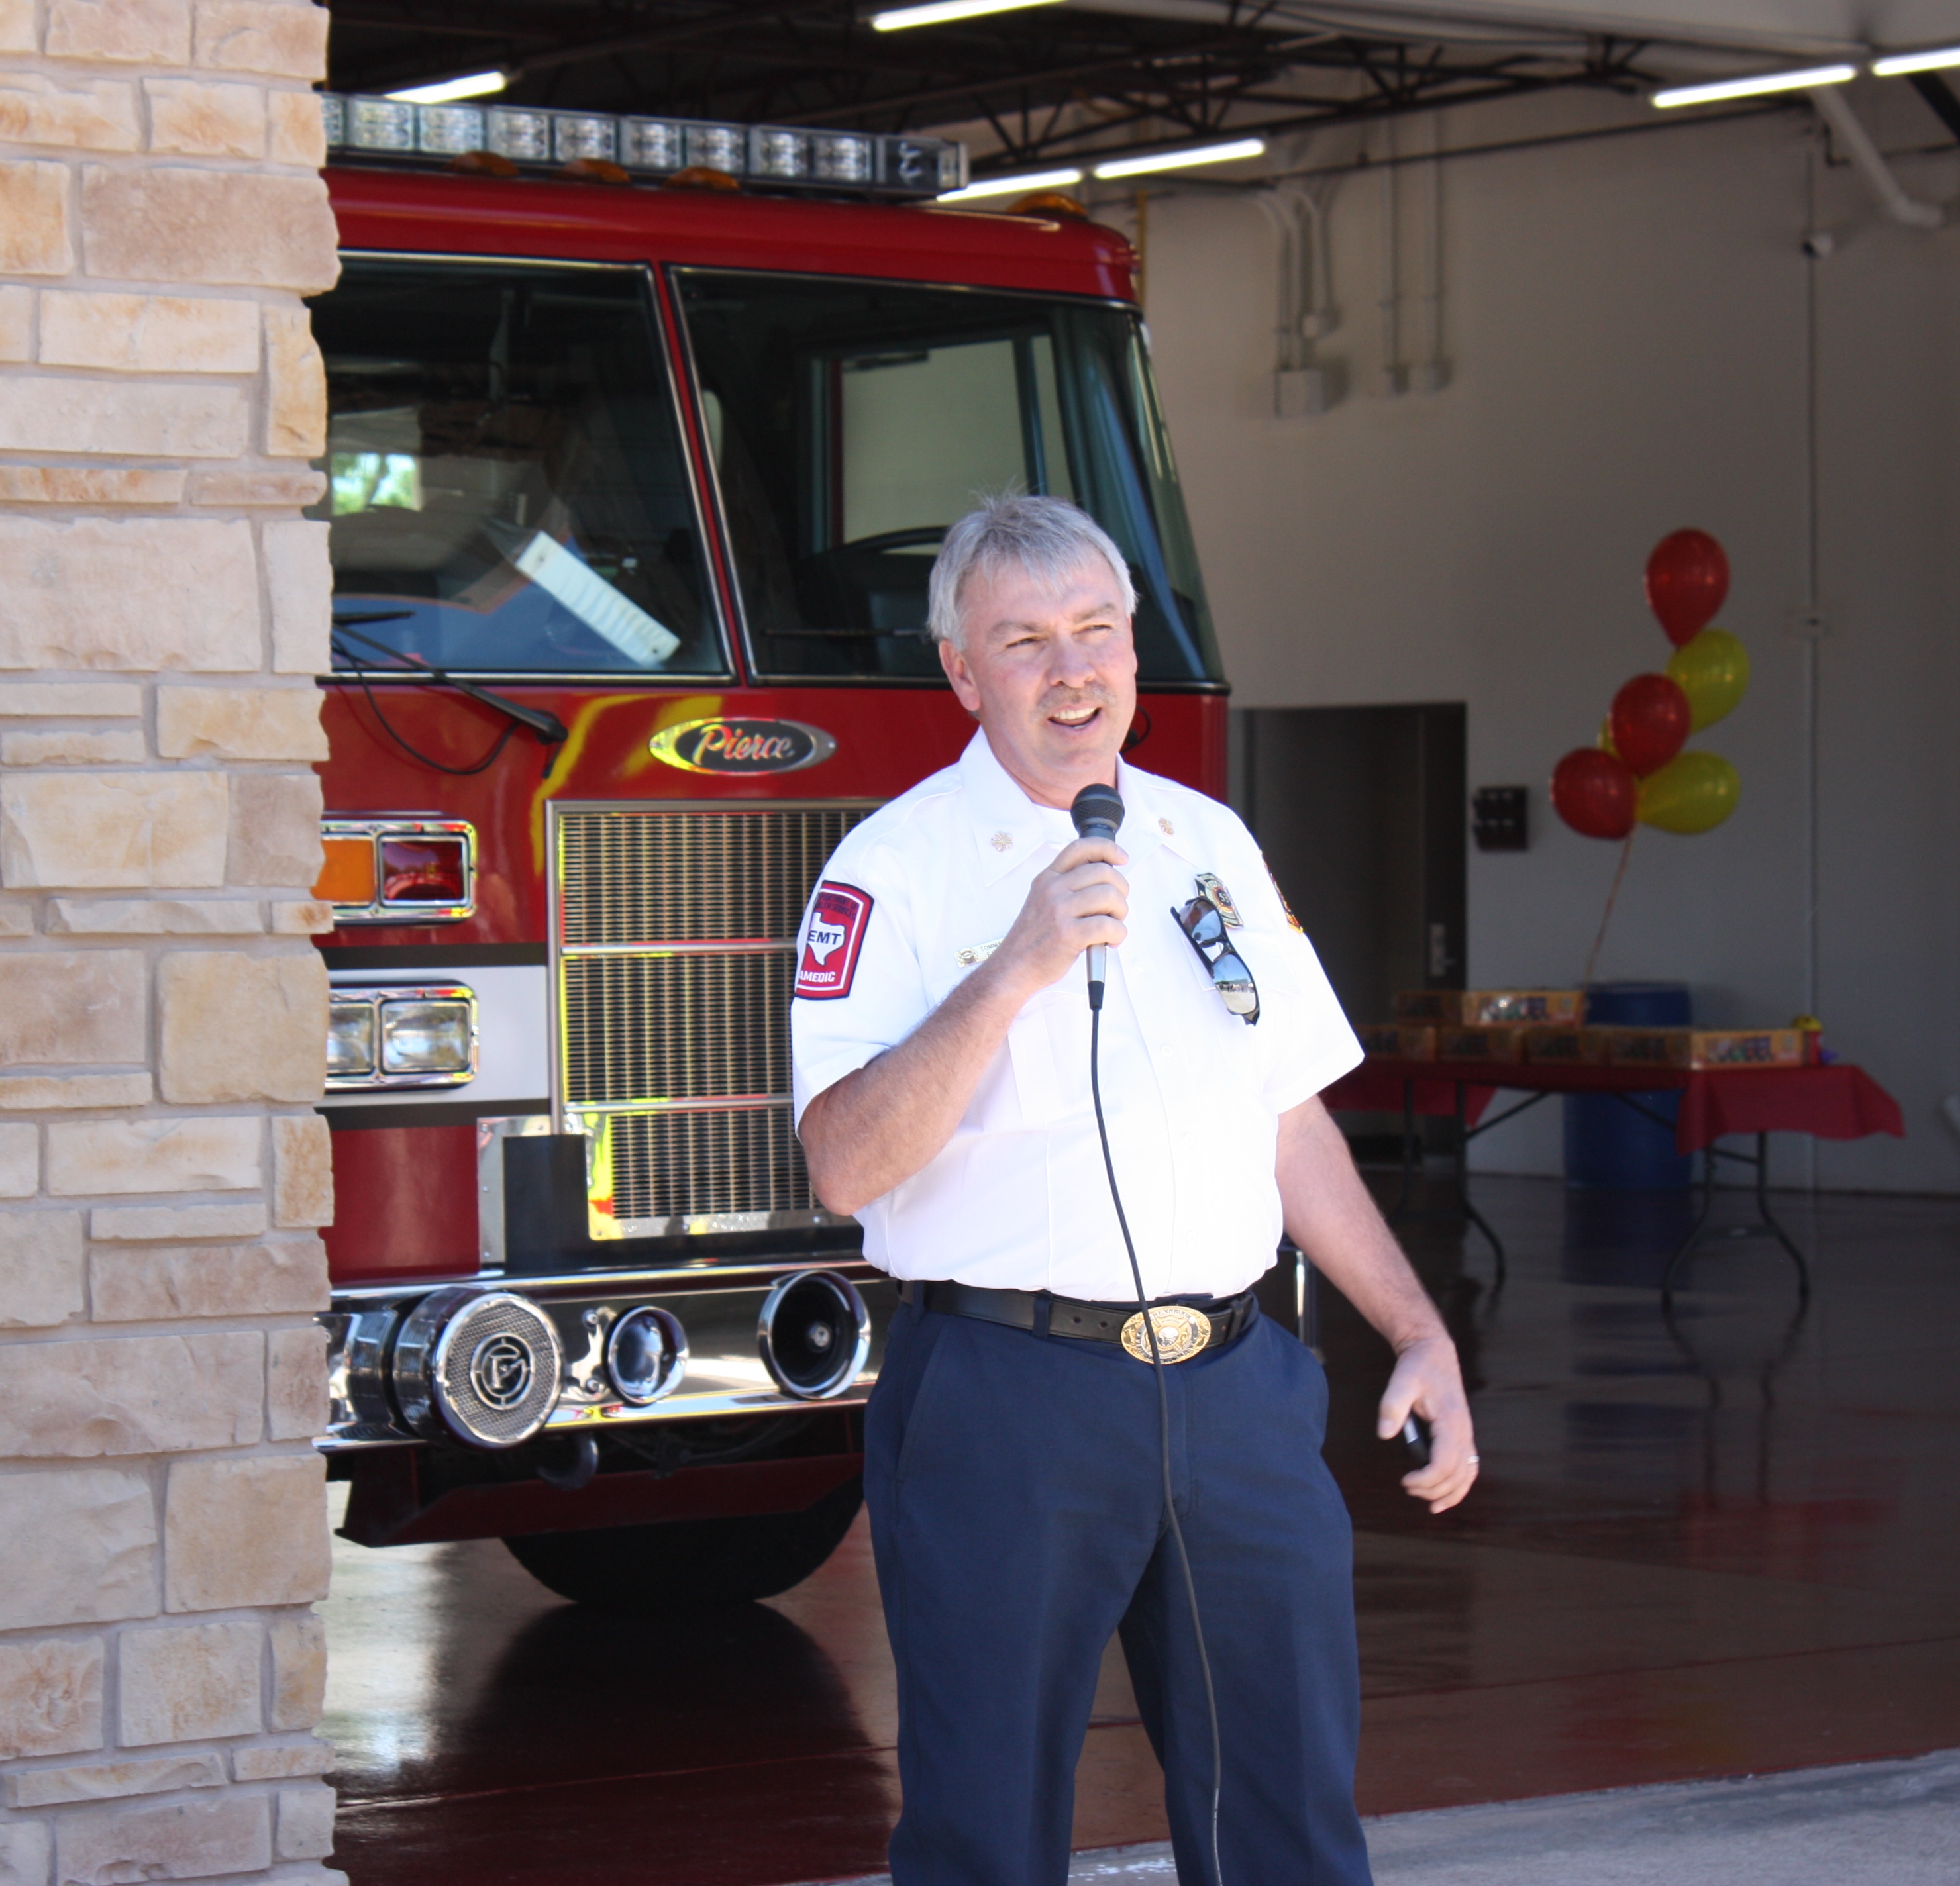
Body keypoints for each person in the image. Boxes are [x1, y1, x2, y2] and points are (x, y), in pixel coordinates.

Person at [791, 495, 1477, 1886]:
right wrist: (1014, 969)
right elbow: (845, 1162)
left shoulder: (1207, 841)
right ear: (962, 673)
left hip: (1234, 1389)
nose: (1071, 670)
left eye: (1096, 630)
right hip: (1009, 1395)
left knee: (1287, 1819)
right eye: (1024, 641)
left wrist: (1416, 1328)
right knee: (988, 1828)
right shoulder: (891, 869)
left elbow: (1288, 1116)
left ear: (1132, 650)